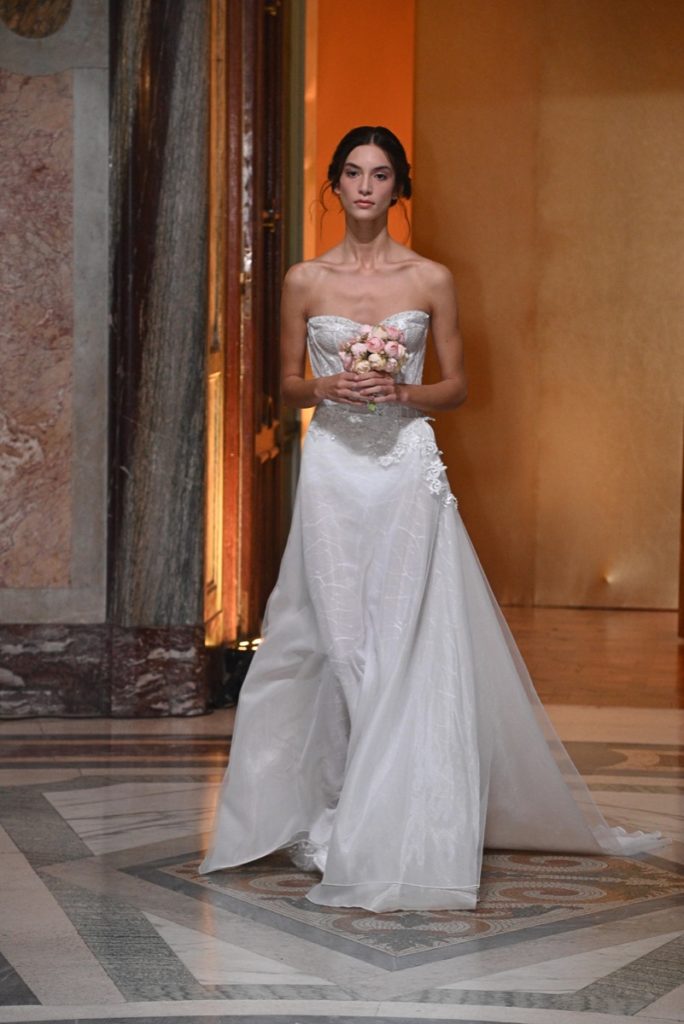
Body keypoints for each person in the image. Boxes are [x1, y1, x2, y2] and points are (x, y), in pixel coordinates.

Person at [199, 125, 663, 913]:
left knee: (403, 634)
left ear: (399, 187)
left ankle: (393, 816)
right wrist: (326, 387)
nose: (365, 186)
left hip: (406, 466)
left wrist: (401, 392)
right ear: (335, 186)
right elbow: (284, 382)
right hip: (335, 468)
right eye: (353, 173)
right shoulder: (304, 279)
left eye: (381, 174)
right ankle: (334, 802)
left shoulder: (431, 278)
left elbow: (458, 386)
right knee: (337, 638)